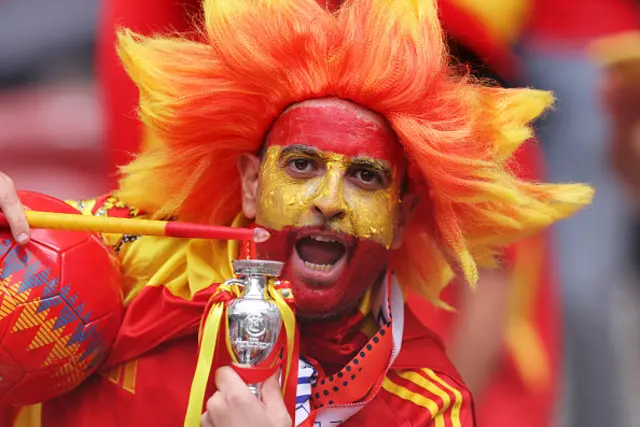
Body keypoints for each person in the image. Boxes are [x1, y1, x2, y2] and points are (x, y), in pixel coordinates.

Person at [0, 0, 592, 425]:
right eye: (303, 165)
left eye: (365, 176)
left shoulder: (423, 405)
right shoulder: (113, 262)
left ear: (401, 212)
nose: (330, 201)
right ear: (252, 184)